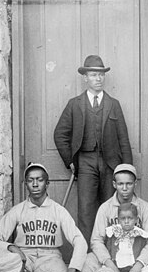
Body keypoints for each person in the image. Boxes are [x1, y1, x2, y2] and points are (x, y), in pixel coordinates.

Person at [54, 55, 133, 243]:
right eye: (93, 74)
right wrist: (70, 161)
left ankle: (111, 255)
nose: (98, 79)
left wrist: (127, 170)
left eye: (101, 75)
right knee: (86, 210)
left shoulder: (113, 104)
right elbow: (60, 134)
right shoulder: (75, 104)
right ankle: (88, 257)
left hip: (110, 163)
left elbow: (123, 139)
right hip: (85, 162)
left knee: (111, 209)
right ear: (85, 78)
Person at [105, 202, 148, 272]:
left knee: (146, 270)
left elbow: (141, 253)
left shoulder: (139, 235)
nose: (126, 221)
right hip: (116, 264)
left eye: (130, 218)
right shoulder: (113, 232)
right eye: (123, 218)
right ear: (118, 219)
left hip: (133, 265)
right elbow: (109, 248)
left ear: (136, 220)